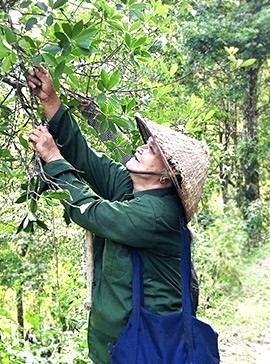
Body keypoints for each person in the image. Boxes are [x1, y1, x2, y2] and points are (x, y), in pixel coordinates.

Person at [26, 66, 210, 364]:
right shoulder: (134, 188)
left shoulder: (156, 213)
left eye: (153, 150)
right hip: (125, 344)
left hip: (141, 347)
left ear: (167, 176)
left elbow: (92, 212)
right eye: (147, 143)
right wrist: (52, 103)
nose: (141, 148)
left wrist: (53, 159)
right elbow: (86, 159)